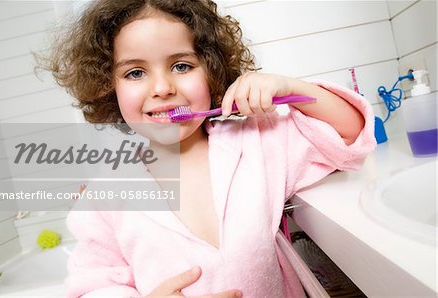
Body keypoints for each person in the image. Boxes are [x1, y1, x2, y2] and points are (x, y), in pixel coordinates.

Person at [44, 0, 376, 297]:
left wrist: (290, 87)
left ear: (212, 70)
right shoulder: (105, 197)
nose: (162, 88)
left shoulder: (259, 143)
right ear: (107, 87)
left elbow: (350, 133)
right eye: (135, 72)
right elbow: (93, 286)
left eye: (181, 66)